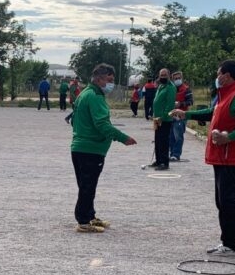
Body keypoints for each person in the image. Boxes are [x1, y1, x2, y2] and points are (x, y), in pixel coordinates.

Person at [170, 59, 235, 262]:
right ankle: (230, 243)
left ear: (227, 75)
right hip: (223, 158)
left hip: (234, 159)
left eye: (218, 73)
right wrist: (186, 114)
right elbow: (212, 113)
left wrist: (229, 137)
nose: (216, 77)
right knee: (222, 202)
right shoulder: (226, 95)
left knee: (229, 201)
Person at [70, 63, 137, 233]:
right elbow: (102, 124)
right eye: (109, 80)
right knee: (88, 186)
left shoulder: (86, 93)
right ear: (99, 79)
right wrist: (123, 138)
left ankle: (90, 215)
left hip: (81, 147)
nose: (111, 84)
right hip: (90, 149)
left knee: (87, 185)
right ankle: (83, 221)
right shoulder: (95, 96)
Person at [151, 68, 176, 170]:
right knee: (157, 140)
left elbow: (169, 104)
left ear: (169, 76)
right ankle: (158, 160)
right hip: (157, 118)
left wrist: (163, 116)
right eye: (161, 75)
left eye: (165, 75)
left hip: (164, 119)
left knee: (164, 141)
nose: (163, 77)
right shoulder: (161, 86)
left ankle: (164, 162)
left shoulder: (170, 87)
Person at [169, 72, 193, 161]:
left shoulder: (186, 89)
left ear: (182, 78)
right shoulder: (171, 89)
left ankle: (176, 154)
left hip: (181, 116)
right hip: (171, 115)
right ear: (172, 79)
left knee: (178, 136)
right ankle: (171, 153)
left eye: (179, 78)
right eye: (175, 78)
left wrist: (180, 104)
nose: (177, 80)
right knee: (171, 136)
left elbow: (190, 101)